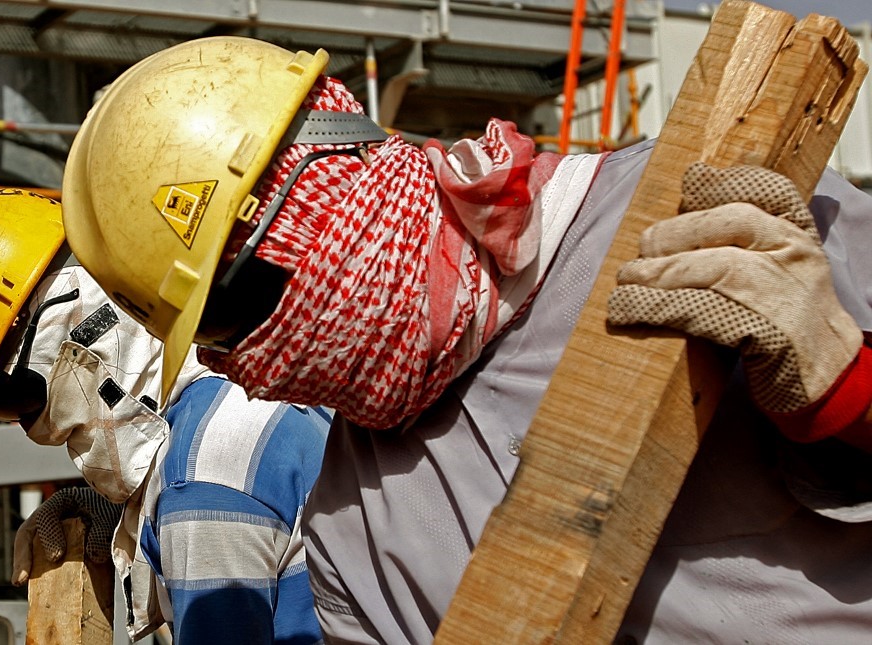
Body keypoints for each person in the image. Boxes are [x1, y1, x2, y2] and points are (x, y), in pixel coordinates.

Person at [59, 36, 872, 643]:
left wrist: (845, 389)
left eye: (246, 297)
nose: (248, 358)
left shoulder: (701, 216)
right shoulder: (348, 534)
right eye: (217, 332)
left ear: (327, 174)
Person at [0, 189, 331, 644]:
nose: (35, 430)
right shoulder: (247, 390)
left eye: (12, 399)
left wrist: (174, 503)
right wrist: (133, 513)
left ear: (66, 329)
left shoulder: (203, 477)